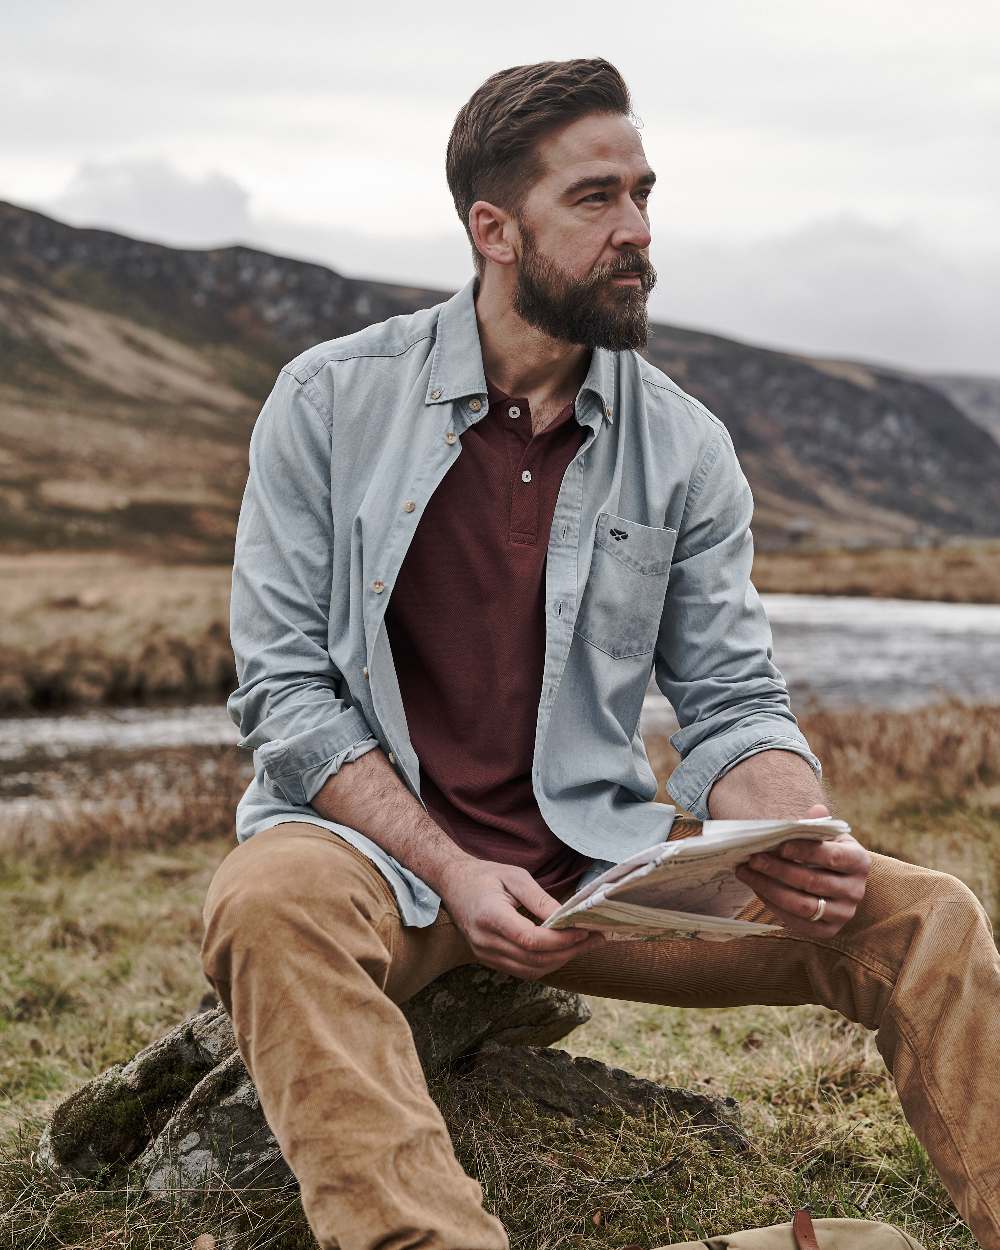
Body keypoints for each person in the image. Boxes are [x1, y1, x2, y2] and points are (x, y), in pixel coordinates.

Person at [200, 58, 1000, 1250]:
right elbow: (285, 694)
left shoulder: (685, 444)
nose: (636, 230)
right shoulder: (326, 401)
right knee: (265, 899)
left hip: (596, 866)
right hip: (378, 860)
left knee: (925, 915)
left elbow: (730, 697)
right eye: (594, 199)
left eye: (641, 193)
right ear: (495, 230)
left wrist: (793, 829)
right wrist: (454, 868)